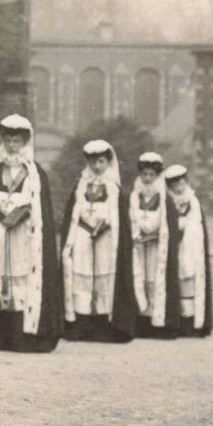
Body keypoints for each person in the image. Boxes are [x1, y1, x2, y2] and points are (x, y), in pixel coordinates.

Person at [0, 115, 62, 352]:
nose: (12, 146)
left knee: (23, 281)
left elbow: (37, 206)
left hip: (24, 237)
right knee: (0, 280)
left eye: (17, 141)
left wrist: (20, 212)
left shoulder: (34, 172)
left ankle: (24, 336)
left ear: (25, 142)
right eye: (9, 140)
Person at [60, 140, 137, 343]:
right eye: (93, 161)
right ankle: (80, 324)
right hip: (82, 237)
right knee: (81, 278)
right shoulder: (81, 186)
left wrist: (104, 225)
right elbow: (73, 214)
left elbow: (120, 218)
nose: (96, 166)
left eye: (101, 161)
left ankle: (104, 325)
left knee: (104, 279)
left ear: (108, 162)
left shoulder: (114, 189)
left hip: (106, 239)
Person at [128, 151, 179, 338]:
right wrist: (136, 233)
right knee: (140, 278)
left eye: (152, 175)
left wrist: (155, 232)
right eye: (145, 174)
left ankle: (155, 321)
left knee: (154, 279)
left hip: (157, 246)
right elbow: (132, 217)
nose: (148, 178)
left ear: (157, 176)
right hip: (139, 245)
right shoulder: (135, 196)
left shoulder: (164, 198)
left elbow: (166, 222)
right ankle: (140, 319)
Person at [163, 164, 213, 337]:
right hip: (175, 249)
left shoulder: (193, 202)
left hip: (190, 250)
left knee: (190, 287)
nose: (179, 187)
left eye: (181, 183)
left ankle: (190, 323)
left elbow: (196, 225)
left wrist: (185, 227)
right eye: (174, 184)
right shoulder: (168, 202)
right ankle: (177, 322)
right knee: (176, 285)